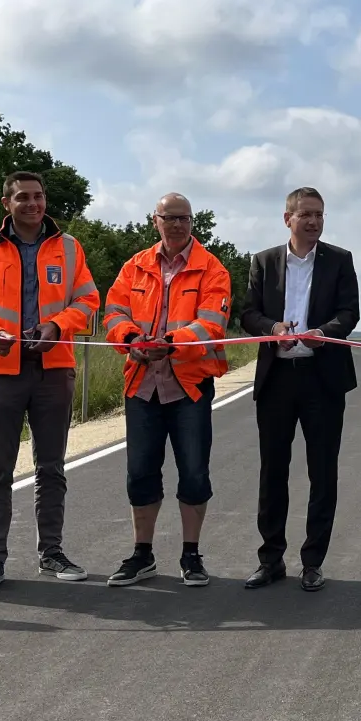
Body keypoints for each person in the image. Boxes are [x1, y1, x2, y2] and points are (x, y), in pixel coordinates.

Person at [0, 170, 100, 594]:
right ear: (6, 204)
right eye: (22, 197)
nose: (32, 204)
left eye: (37, 196)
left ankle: (51, 553)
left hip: (54, 369)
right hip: (0, 371)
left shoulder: (69, 247)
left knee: (51, 467)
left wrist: (57, 325)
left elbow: (88, 300)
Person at [101, 192, 233, 588]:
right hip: (141, 384)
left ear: (193, 223)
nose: (178, 224)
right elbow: (114, 313)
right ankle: (142, 555)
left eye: (185, 218)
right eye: (170, 217)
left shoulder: (212, 269)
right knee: (139, 473)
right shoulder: (134, 266)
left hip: (188, 385)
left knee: (193, 472)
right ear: (155, 220)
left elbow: (212, 324)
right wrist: (130, 338)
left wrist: (170, 342)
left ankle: (191, 555)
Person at [239, 187, 360, 592]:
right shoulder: (263, 261)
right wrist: (273, 329)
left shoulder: (340, 260)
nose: (313, 221)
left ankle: (313, 561)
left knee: (322, 473)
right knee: (273, 472)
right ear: (287, 217)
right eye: (305, 214)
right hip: (277, 378)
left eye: (319, 215)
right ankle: (270, 559)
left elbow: (349, 312)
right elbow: (248, 313)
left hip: (323, 378)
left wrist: (324, 333)